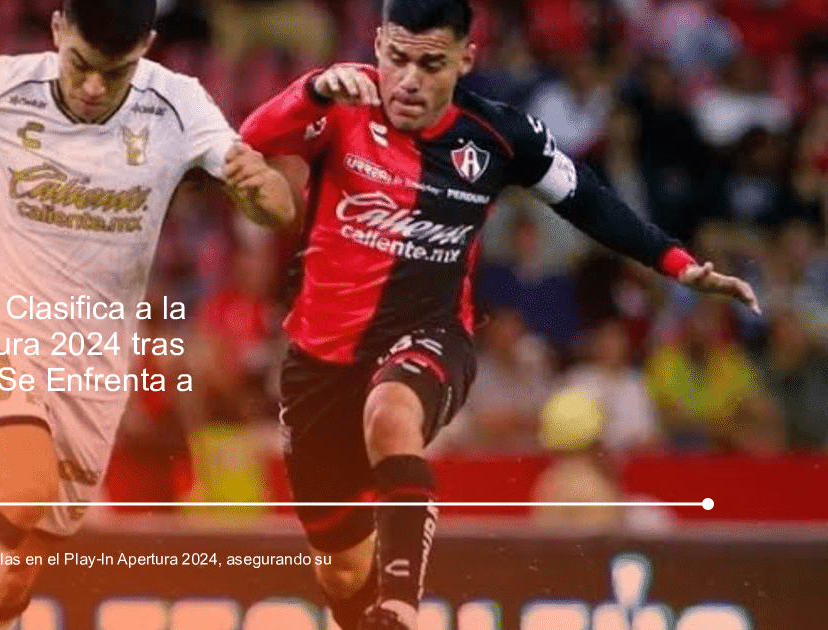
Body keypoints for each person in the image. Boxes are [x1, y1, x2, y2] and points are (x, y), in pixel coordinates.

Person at [239, 1, 759, 628]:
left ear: (465, 57)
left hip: (430, 336)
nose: (408, 80)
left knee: (390, 413)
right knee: (342, 569)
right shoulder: (340, 101)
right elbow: (251, 142)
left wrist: (676, 262)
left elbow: (587, 198)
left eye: (430, 64)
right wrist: (313, 89)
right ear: (376, 45)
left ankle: (402, 609)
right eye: (397, 58)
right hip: (318, 363)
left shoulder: (498, 134)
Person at [0, 0, 295, 628]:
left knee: (14, 578)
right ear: (57, 30)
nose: (94, 87)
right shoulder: (1, 86)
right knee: (24, 485)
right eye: (81, 65)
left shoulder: (179, 106)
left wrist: (262, 196)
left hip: (93, 367)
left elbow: (278, 205)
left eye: (114, 72)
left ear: (146, 47)